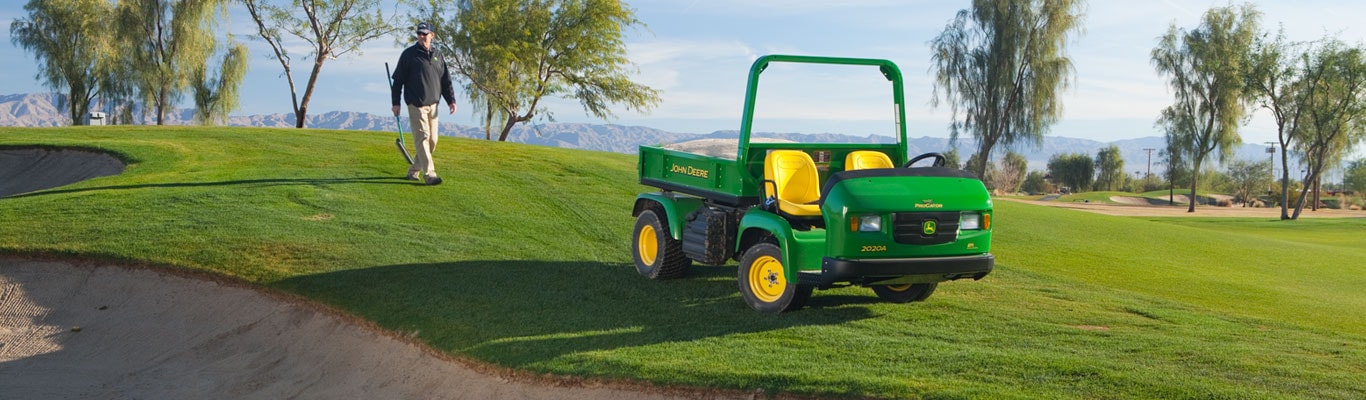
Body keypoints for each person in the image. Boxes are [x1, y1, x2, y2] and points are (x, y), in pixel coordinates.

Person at [391, 22, 457, 186]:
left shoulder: (438, 55)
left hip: (433, 104)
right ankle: (430, 174)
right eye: (419, 34)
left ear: (432, 35)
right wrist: (396, 103)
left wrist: (451, 101)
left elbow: (445, 80)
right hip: (416, 104)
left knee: (432, 140)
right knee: (423, 138)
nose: (421, 36)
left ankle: (414, 171)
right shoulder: (409, 55)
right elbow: (398, 81)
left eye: (424, 34)